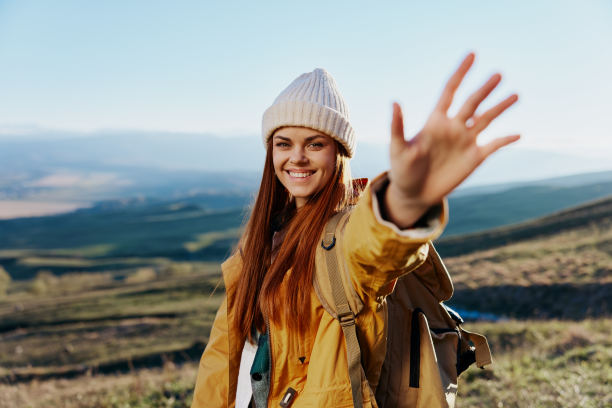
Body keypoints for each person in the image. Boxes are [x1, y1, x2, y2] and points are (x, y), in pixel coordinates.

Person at [191, 52, 519, 408]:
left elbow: (375, 245)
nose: (297, 157)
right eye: (283, 143)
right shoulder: (262, 243)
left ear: (339, 153)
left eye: (315, 144)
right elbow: (221, 361)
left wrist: (405, 201)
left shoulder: (344, 238)